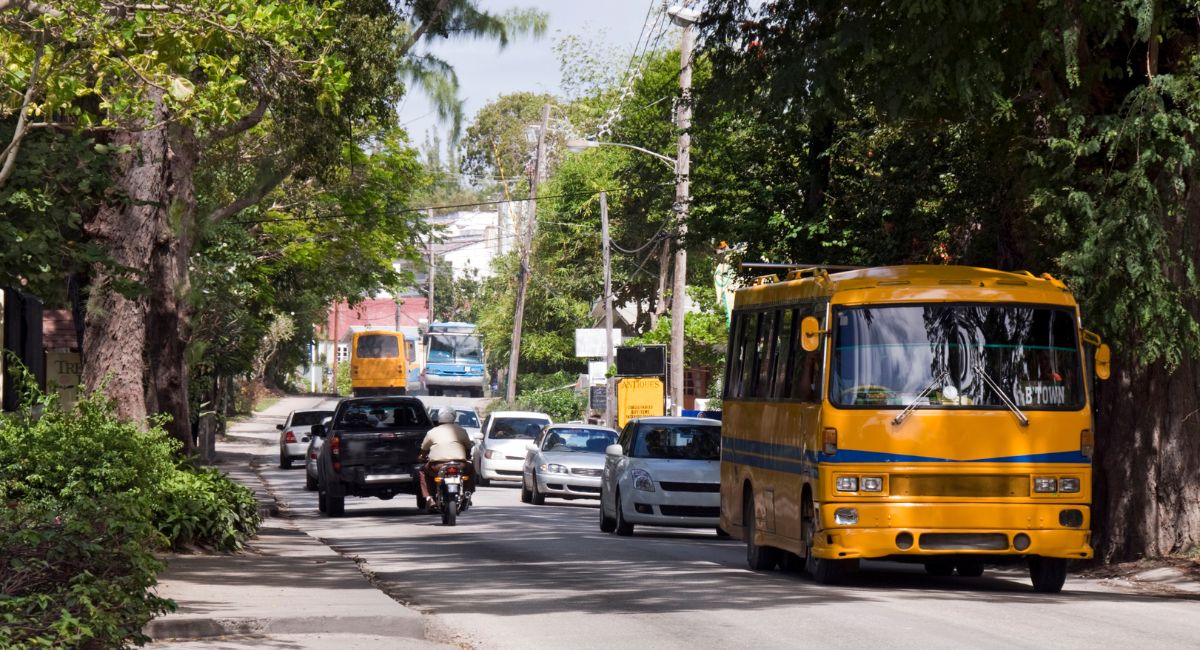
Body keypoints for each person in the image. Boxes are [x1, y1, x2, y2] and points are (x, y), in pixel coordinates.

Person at [418, 406, 475, 509]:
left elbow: (424, 449)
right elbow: (468, 447)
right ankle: (467, 493)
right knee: (471, 469)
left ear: (439, 417)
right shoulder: (461, 430)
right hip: (460, 464)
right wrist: (467, 456)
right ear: (454, 417)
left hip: (437, 466)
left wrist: (422, 457)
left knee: (423, 471)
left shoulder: (432, 432)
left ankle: (429, 498)